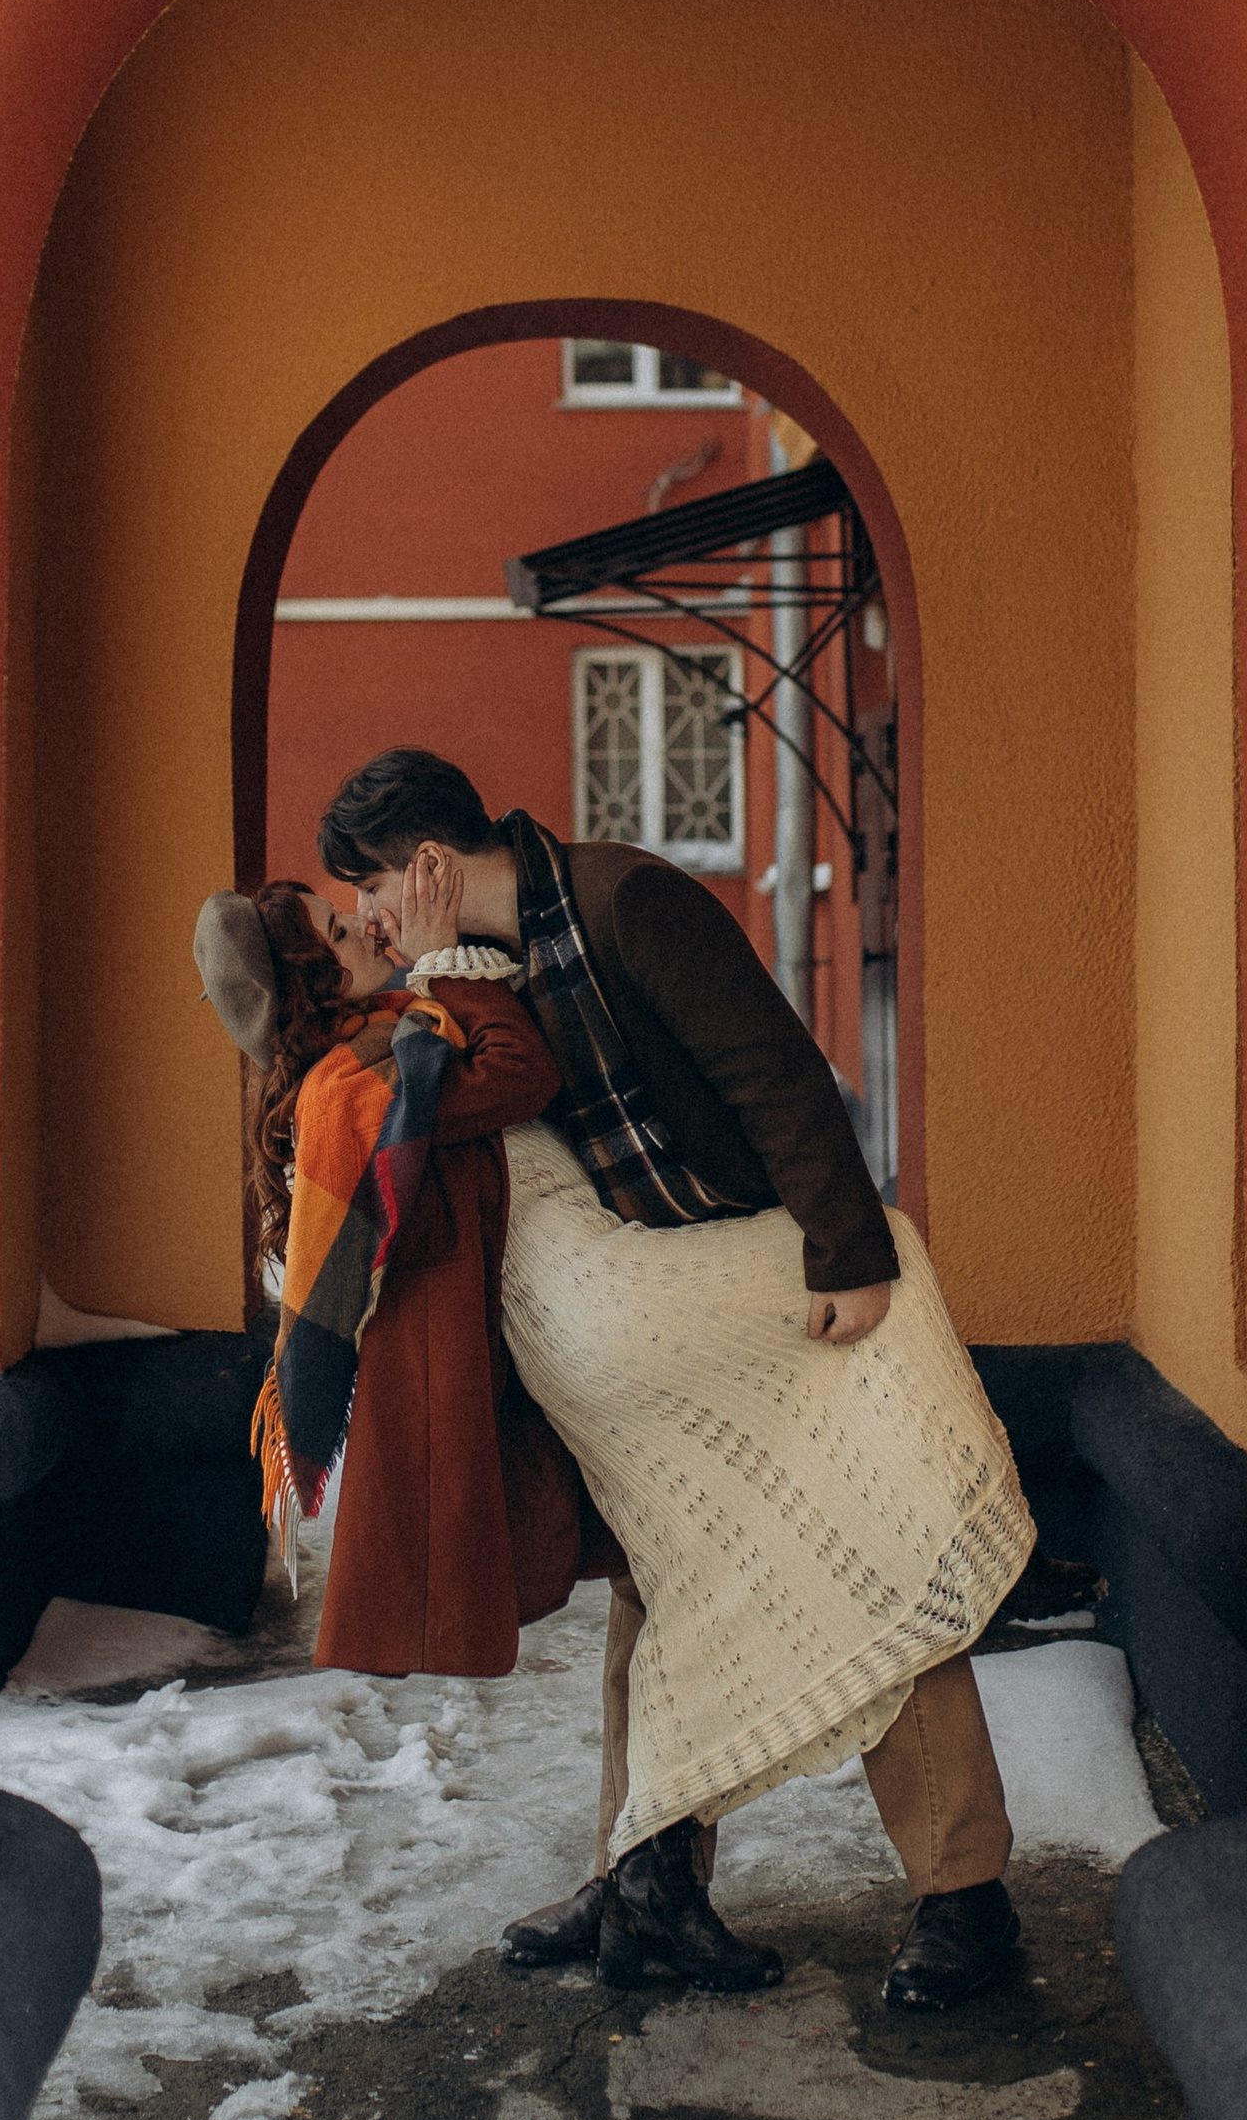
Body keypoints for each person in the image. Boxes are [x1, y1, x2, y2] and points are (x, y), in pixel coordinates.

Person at [321, 748, 1035, 2012]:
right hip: (654, 1305)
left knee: (862, 1548)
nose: (368, 915)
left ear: (427, 864)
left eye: (371, 884)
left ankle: (964, 1902)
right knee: (672, 1576)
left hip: (758, 1290)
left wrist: (850, 1249)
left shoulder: (620, 901)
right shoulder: (472, 973)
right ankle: (645, 1876)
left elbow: (773, 1068)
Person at [192, 871, 600, 1680]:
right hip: (469, 1358)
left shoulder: (393, 1037)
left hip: (521, 1329)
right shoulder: (360, 1089)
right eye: (339, 931)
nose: (366, 925)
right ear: (316, 984)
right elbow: (521, 1071)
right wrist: (444, 956)